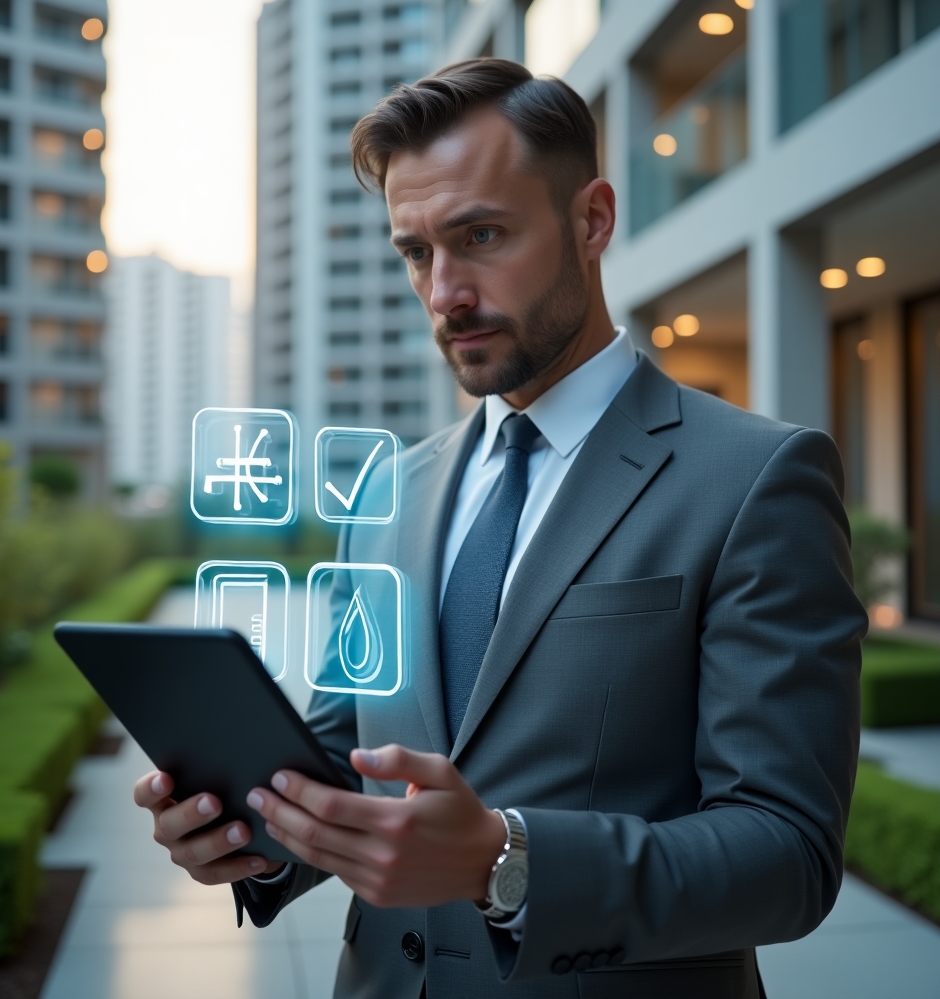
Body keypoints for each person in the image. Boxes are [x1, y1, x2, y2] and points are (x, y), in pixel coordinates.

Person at [134, 59, 865, 998]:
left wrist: (503, 862)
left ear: (592, 219)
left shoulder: (759, 478)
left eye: (480, 236)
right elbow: (345, 757)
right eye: (416, 252)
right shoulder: (388, 495)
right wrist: (252, 835)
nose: (445, 294)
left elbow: (788, 852)